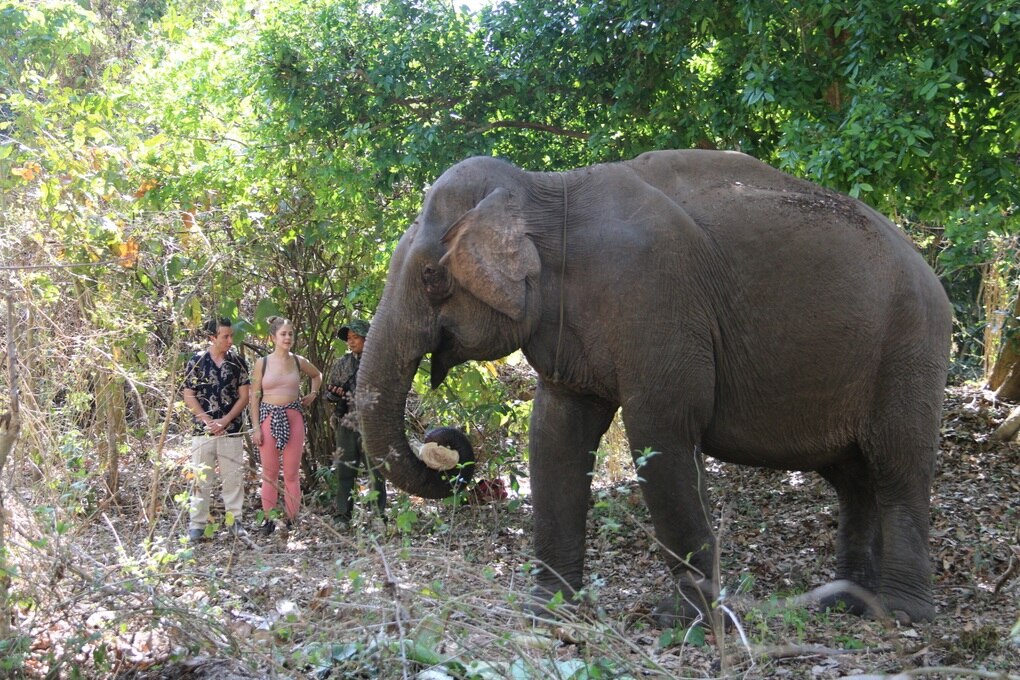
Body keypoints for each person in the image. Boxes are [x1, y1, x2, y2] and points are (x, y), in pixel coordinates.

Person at [249, 316, 322, 535]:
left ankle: (291, 520)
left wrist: (313, 393)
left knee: (291, 473)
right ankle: (269, 520)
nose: (287, 337)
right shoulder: (262, 363)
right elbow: (254, 397)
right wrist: (255, 427)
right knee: (269, 473)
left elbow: (317, 375)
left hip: (293, 417)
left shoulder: (298, 361)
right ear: (273, 337)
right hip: (269, 417)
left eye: (290, 333)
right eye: (283, 334)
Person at [181, 318, 251, 542]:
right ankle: (197, 525)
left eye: (231, 336)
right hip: (203, 431)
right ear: (212, 337)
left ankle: (235, 521)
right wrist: (206, 421)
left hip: (232, 429)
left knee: (233, 478)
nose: (230, 340)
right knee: (201, 478)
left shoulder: (238, 363)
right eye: (225, 336)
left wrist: (226, 420)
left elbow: (244, 396)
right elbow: (188, 393)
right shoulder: (197, 361)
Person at [326, 318, 386, 525]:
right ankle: (343, 515)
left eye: (356, 337)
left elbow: (384, 393)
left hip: (371, 423)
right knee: (345, 471)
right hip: (346, 422)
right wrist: (336, 394)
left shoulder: (379, 363)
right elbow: (331, 392)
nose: (351, 342)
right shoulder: (342, 364)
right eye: (349, 338)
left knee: (376, 471)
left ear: (367, 339)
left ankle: (379, 516)